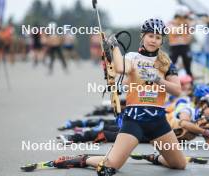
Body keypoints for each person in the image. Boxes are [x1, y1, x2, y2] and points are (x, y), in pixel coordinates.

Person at [54, 18, 187, 175]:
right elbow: (119, 67)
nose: (154, 40)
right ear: (143, 36)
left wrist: (158, 79)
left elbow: (177, 90)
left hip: (158, 122)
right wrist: (115, 47)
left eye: (158, 37)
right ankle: (82, 159)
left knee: (179, 164)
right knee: (110, 166)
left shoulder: (166, 62)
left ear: (161, 40)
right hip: (135, 121)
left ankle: (155, 157)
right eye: (151, 36)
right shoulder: (132, 57)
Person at [167, 5, 193, 77]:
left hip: (185, 46)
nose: (185, 18)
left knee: (188, 66)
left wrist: (188, 25)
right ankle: (168, 80)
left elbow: (190, 36)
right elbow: (175, 32)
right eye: (184, 17)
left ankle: (190, 82)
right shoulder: (170, 23)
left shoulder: (187, 24)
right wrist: (184, 25)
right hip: (174, 47)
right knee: (170, 65)